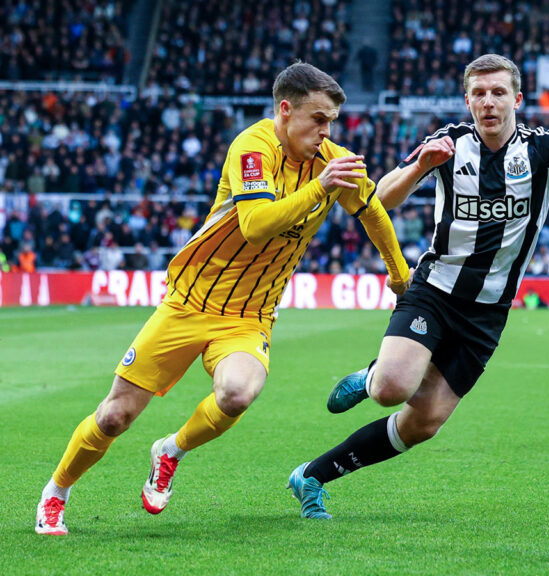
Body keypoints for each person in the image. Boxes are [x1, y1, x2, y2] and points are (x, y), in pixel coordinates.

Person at [35, 62, 411, 535]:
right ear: (285, 110)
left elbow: (373, 211)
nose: (326, 131)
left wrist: (399, 275)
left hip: (249, 316)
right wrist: (321, 187)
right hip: (189, 302)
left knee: (237, 394)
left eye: (332, 121)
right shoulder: (252, 148)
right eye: (318, 119)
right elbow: (254, 226)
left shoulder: (333, 161)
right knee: (114, 416)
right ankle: (57, 492)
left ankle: (171, 450)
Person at [288, 48, 549, 519]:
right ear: (467, 101)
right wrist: (419, 166)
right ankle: (371, 377)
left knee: (423, 423)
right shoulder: (448, 142)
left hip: (488, 312)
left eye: (498, 93)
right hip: (435, 292)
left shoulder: (545, 148)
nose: (488, 102)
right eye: (479, 93)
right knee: (390, 389)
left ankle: (311, 476)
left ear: (517, 100)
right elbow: (380, 198)